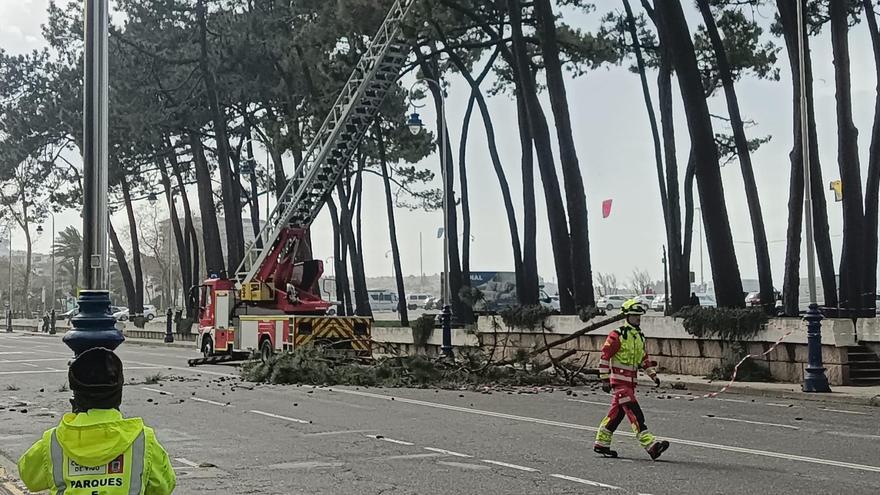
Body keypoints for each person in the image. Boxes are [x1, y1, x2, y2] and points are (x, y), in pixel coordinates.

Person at [18, 347, 176, 494]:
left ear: (76, 397)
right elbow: (164, 486)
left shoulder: (54, 441)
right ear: (118, 393)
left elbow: (29, 477)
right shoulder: (143, 439)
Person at [594, 299, 670, 460]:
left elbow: (643, 358)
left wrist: (653, 375)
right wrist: (604, 379)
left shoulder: (639, 337)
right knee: (635, 414)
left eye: (639, 315)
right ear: (627, 316)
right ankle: (651, 446)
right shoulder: (617, 335)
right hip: (619, 383)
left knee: (616, 414)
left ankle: (601, 443)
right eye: (634, 315)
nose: (638, 318)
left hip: (630, 383)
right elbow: (605, 356)